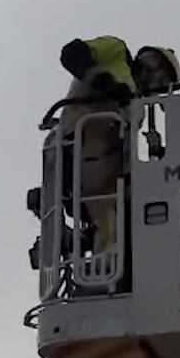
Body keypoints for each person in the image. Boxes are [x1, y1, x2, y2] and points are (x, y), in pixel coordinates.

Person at [58, 36, 138, 255]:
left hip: (108, 164)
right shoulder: (116, 50)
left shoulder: (138, 104)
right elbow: (72, 53)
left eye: (164, 75)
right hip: (84, 143)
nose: (156, 73)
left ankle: (108, 266)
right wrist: (105, 83)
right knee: (105, 222)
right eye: (157, 64)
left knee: (110, 226)